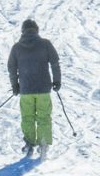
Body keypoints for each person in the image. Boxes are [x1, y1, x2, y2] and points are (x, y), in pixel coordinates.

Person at [7, 19, 61, 159]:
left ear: (22, 31)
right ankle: (43, 144)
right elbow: (55, 63)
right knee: (44, 116)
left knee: (27, 117)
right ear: (37, 30)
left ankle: (30, 143)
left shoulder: (16, 48)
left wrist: (15, 85)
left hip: (26, 89)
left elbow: (12, 68)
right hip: (43, 88)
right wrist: (57, 81)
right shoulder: (45, 44)